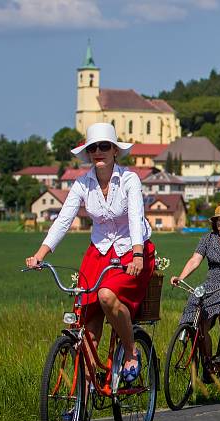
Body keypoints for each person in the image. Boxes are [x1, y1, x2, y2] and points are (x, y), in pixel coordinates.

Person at [25, 122, 155, 382]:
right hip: (99, 253)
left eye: (104, 146)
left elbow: (135, 218)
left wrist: (138, 254)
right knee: (85, 318)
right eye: (93, 147)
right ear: (88, 152)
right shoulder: (82, 184)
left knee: (106, 296)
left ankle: (130, 352)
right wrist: (40, 254)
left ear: (115, 151)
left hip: (133, 250)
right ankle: (81, 395)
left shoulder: (129, 179)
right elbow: (63, 220)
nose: (98, 151)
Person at [171, 205, 220, 372]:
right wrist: (181, 277)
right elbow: (195, 260)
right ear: (215, 222)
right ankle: (208, 362)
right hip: (211, 283)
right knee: (199, 314)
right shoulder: (207, 239)